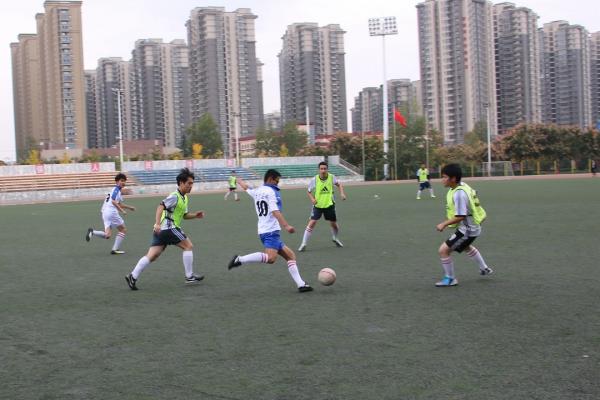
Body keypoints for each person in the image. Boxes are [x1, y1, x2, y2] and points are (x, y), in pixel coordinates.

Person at [227, 169, 313, 293]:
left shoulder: (258, 191)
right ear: (270, 179)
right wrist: (286, 226)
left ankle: (301, 284)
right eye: (276, 181)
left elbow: (246, 188)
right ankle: (240, 259)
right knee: (271, 258)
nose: (278, 183)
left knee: (290, 256)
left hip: (264, 230)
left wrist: (239, 181)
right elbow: (275, 211)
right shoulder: (271, 192)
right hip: (270, 231)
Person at [125, 168, 205, 290]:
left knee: (152, 255)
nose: (191, 186)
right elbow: (160, 206)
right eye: (189, 183)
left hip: (162, 231)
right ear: (181, 183)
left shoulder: (184, 198)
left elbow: (184, 215)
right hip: (169, 228)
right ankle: (189, 276)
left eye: (192, 183)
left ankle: (133, 276)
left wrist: (195, 215)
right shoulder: (174, 196)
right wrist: (157, 223)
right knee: (188, 246)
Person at [434, 163, 493, 287]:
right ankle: (484, 268)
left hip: (467, 229)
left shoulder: (459, 194)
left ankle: (450, 278)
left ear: (453, 178)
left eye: (444, 177)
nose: (442, 180)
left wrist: (443, 224)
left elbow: (460, 216)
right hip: (471, 227)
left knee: (443, 250)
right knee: (466, 246)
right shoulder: (462, 185)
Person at [298, 161, 346, 252]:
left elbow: (339, 185)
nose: (323, 170)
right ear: (319, 170)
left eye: (325, 169)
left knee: (334, 225)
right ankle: (303, 244)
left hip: (330, 205)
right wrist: (312, 199)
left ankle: (335, 238)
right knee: (312, 223)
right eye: (321, 169)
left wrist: (342, 193)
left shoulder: (332, 177)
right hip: (318, 206)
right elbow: (308, 191)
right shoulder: (315, 179)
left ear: (327, 169)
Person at [86, 173, 136, 254]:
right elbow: (113, 201)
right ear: (117, 182)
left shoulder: (115, 190)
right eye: (121, 181)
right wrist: (122, 211)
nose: (123, 182)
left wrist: (129, 207)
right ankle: (115, 249)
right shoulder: (116, 190)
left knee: (107, 235)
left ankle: (92, 232)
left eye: (124, 181)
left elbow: (118, 204)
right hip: (111, 212)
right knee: (123, 229)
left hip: (105, 213)